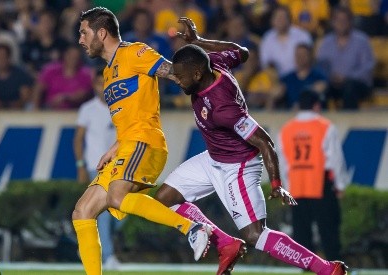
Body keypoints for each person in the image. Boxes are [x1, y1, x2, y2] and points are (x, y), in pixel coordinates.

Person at [154, 17, 348, 275]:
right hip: (213, 158)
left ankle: (325, 268)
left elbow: (265, 142)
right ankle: (225, 242)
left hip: (238, 166)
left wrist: (277, 185)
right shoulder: (215, 63)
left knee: (255, 235)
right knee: (165, 199)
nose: (177, 81)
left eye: (180, 77)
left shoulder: (224, 108)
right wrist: (199, 42)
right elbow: (243, 52)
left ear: (197, 74)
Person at [72, 7, 212, 275]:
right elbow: (128, 116)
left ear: (101, 33)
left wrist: (210, 91)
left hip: (145, 141)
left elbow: (177, 74)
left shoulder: (135, 53)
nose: (80, 39)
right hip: (126, 145)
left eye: (84, 32)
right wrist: (113, 148)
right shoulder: (107, 74)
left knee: (116, 196)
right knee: (82, 212)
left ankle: (191, 227)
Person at [277, 90, 349, 261]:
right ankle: (334, 267)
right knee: (329, 231)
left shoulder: (286, 130)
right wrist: (339, 185)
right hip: (320, 185)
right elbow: (335, 160)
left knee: (302, 236)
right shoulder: (325, 126)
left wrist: (287, 189)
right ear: (316, 105)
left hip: (297, 186)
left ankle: (306, 269)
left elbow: (282, 162)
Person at [73, 70, 119, 269]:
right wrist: (81, 165)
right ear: (94, 85)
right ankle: (107, 257)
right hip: (95, 167)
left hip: (118, 168)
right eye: (100, 84)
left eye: (106, 82)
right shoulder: (88, 109)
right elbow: (78, 139)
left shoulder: (119, 106)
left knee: (121, 212)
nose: (104, 87)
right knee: (104, 215)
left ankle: (87, 242)